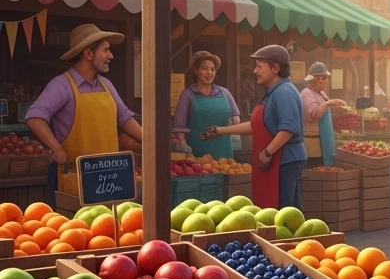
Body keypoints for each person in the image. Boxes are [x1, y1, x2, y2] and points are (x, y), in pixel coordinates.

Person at [27, 24, 144, 203]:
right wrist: (56, 148)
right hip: (74, 177)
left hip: (107, 176)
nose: (110, 56)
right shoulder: (61, 85)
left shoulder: (106, 85)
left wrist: (150, 141)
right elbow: (34, 117)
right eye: (105, 50)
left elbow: (124, 117)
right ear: (88, 54)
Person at [202, 44, 306, 210]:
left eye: (259, 66)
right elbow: (257, 125)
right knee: (281, 210)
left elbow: (288, 129)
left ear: (275, 68)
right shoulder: (272, 92)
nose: (255, 71)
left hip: (285, 160)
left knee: (284, 210)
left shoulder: (285, 92)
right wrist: (221, 131)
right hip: (276, 159)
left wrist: (267, 152)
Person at [172, 50, 241, 159]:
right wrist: (186, 151)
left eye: (212, 69)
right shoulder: (187, 95)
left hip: (225, 158)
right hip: (197, 158)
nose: (209, 73)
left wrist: (236, 147)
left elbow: (236, 123)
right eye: (204, 68)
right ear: (196, 70)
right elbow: (179, 130)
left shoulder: (225, 93)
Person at [300, 62, 344, 167]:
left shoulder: (321, 93)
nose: (325, 81)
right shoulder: (306, 94)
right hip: (314, 145)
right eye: (323, 78)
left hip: (325, 140)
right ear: (315, 79)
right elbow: (314, 115)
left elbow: (325, 109)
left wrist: (336, 106)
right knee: (316, 170)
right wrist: (329, 103)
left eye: (326, 78)